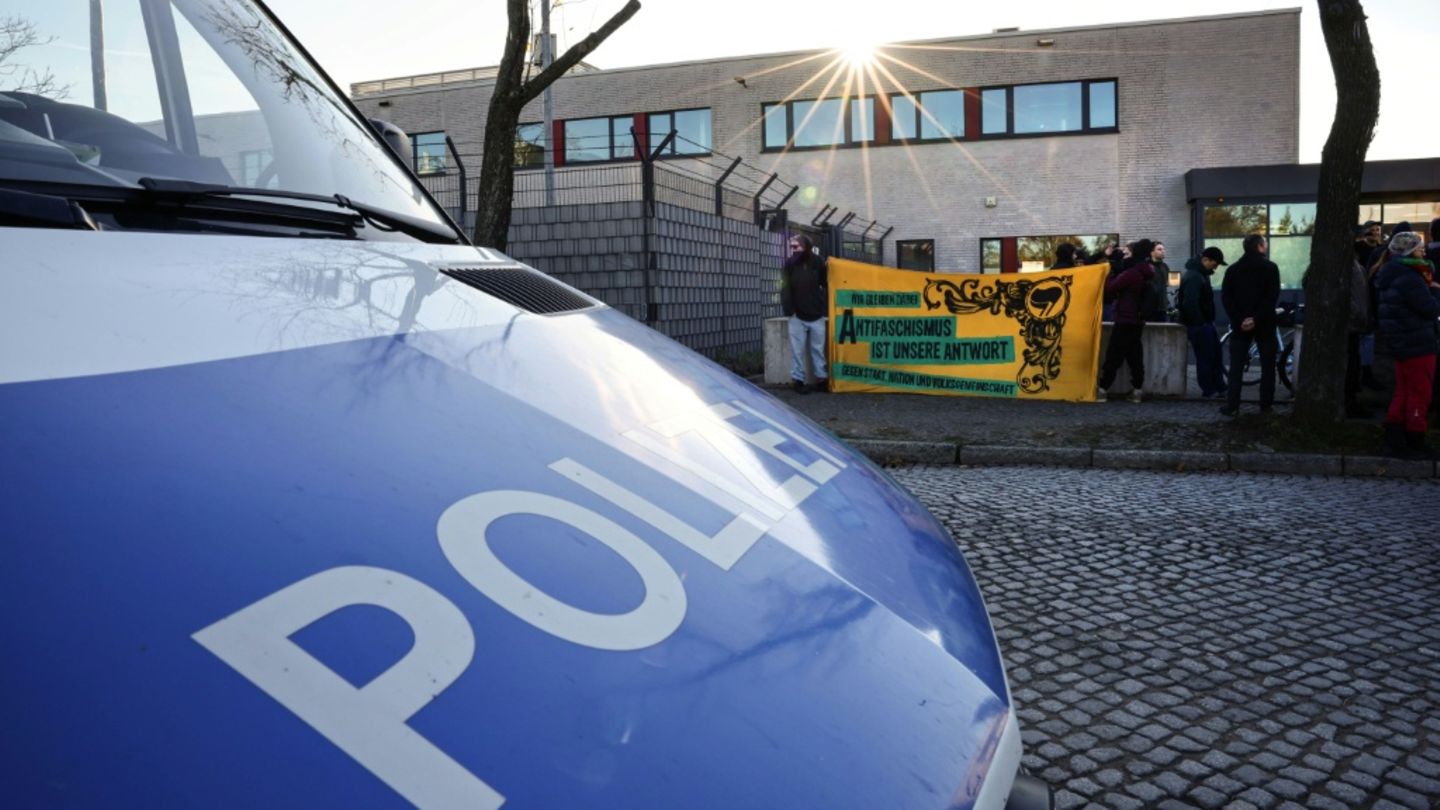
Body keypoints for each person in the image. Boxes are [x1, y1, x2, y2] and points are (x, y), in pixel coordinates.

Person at [1374, 231, 1440, 458]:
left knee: (1403, 391)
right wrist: (1435, 291)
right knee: (1419, 393)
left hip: (1401, 343)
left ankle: (1394, 439)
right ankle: (1415, 440)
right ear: (1410, 251)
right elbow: (1430, 309)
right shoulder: (1411, 277)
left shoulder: (1390, 274)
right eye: (1420, 248)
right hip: (1417, 343)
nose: (1424, 251)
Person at [1219, 234, 1281, 417]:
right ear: (1260, 247)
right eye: (1265, 243)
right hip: (1265, 323)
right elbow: (1271, 297)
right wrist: (1256, 318)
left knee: (1236, 367)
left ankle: (1232, 405)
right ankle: (1266, 405)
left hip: (1240, 325)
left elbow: (1226, 298)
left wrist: (1240, 319)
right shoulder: (1270, 268)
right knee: (1268, 365)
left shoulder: (1233, 270)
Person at [1097, 239, 1157, 403]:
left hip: (1125, 318)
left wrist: (1111, 273)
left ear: (1135, 254)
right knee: (1135, 356)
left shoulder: (1131, 273)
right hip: (1138, 320)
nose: (1125, 255)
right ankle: (1137, 390)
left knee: (1114, 355)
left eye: (1128, 252)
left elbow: (1111, 288)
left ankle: (1102, 389)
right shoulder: (1148, 271)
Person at [780, 234, 829, 394]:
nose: (794, 250)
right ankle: (798, 381)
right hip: (797, 315)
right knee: (797, 350)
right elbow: (784, 288)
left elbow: (825, 282)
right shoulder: (789, 264)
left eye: (797, 246)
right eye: (792, 247)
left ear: (806, 246)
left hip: (816, 313)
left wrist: (823, 307)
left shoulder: (818, 262)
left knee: (818, 349)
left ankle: (822, 379)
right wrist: (790, 310)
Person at [1178, 246, 1227, 398]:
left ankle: (1217, 388)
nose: (1216, 267)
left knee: (1212, 356)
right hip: (1200, 324)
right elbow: (1190, 303)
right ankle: (1212, 389)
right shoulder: (1195, 276)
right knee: (1207, 357)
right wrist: (1201, 322)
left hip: (1203, 323)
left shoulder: (1198, 274)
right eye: (1215, 263)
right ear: (1206, 260)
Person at [1145, 241, 1172, 322]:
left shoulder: (1165, 266)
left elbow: (1167, 284)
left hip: (1162, 307)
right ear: (1152, 253)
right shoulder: (1146, 267)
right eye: (1159, 249)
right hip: (1149, 308)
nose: (1163, 251)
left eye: (1163, 249)